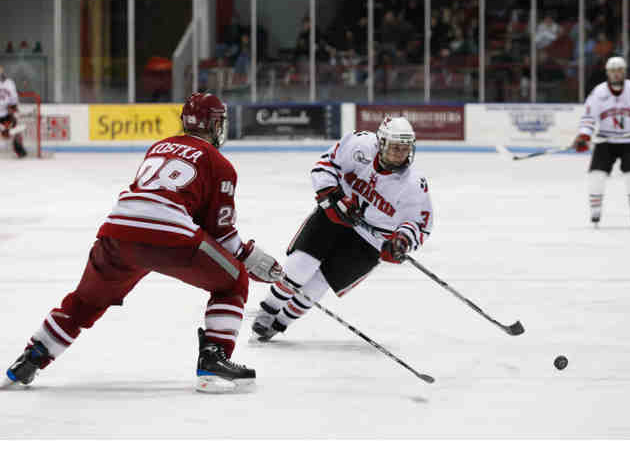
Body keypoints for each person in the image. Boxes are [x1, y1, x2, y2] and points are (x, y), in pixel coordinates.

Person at [2, 92, 282, 393]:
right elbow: (220, 232)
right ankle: (213, 359)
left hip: (117, 231)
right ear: (215, 125)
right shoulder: (220, 164)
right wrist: (247, 256)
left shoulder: (159, 147)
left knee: (86, 301)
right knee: (233, 281)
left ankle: (32, 357)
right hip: (168, 235)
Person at [251, 116, 434, 341]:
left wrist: (401, 241)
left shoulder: (414, 183)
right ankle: (268, 309)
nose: (400, 154)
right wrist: (330, 195)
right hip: (337, 213)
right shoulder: (359, 145)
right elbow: (326, 166)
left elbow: (418, 224)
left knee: (319, 283)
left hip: (371, 240)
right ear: (381, 143)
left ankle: (281, 322)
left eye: (405, 148)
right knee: (300, 266)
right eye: (395, 147)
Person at [573, 57, 630, 227]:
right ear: (607, 72)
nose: (616, 74)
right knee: (596, 177)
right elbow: (588, 117)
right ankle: (595, 212)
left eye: (619, 70)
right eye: (612, 71)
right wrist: (584, 135)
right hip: (605, 140)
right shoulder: (598, 92)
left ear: (624, 71)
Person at [0, 65, 27, 158]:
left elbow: (13, 98)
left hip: (6, 113)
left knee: (14, 132)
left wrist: (14, 108)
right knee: (6, 133)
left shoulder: (9, 83)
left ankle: (19, 150)